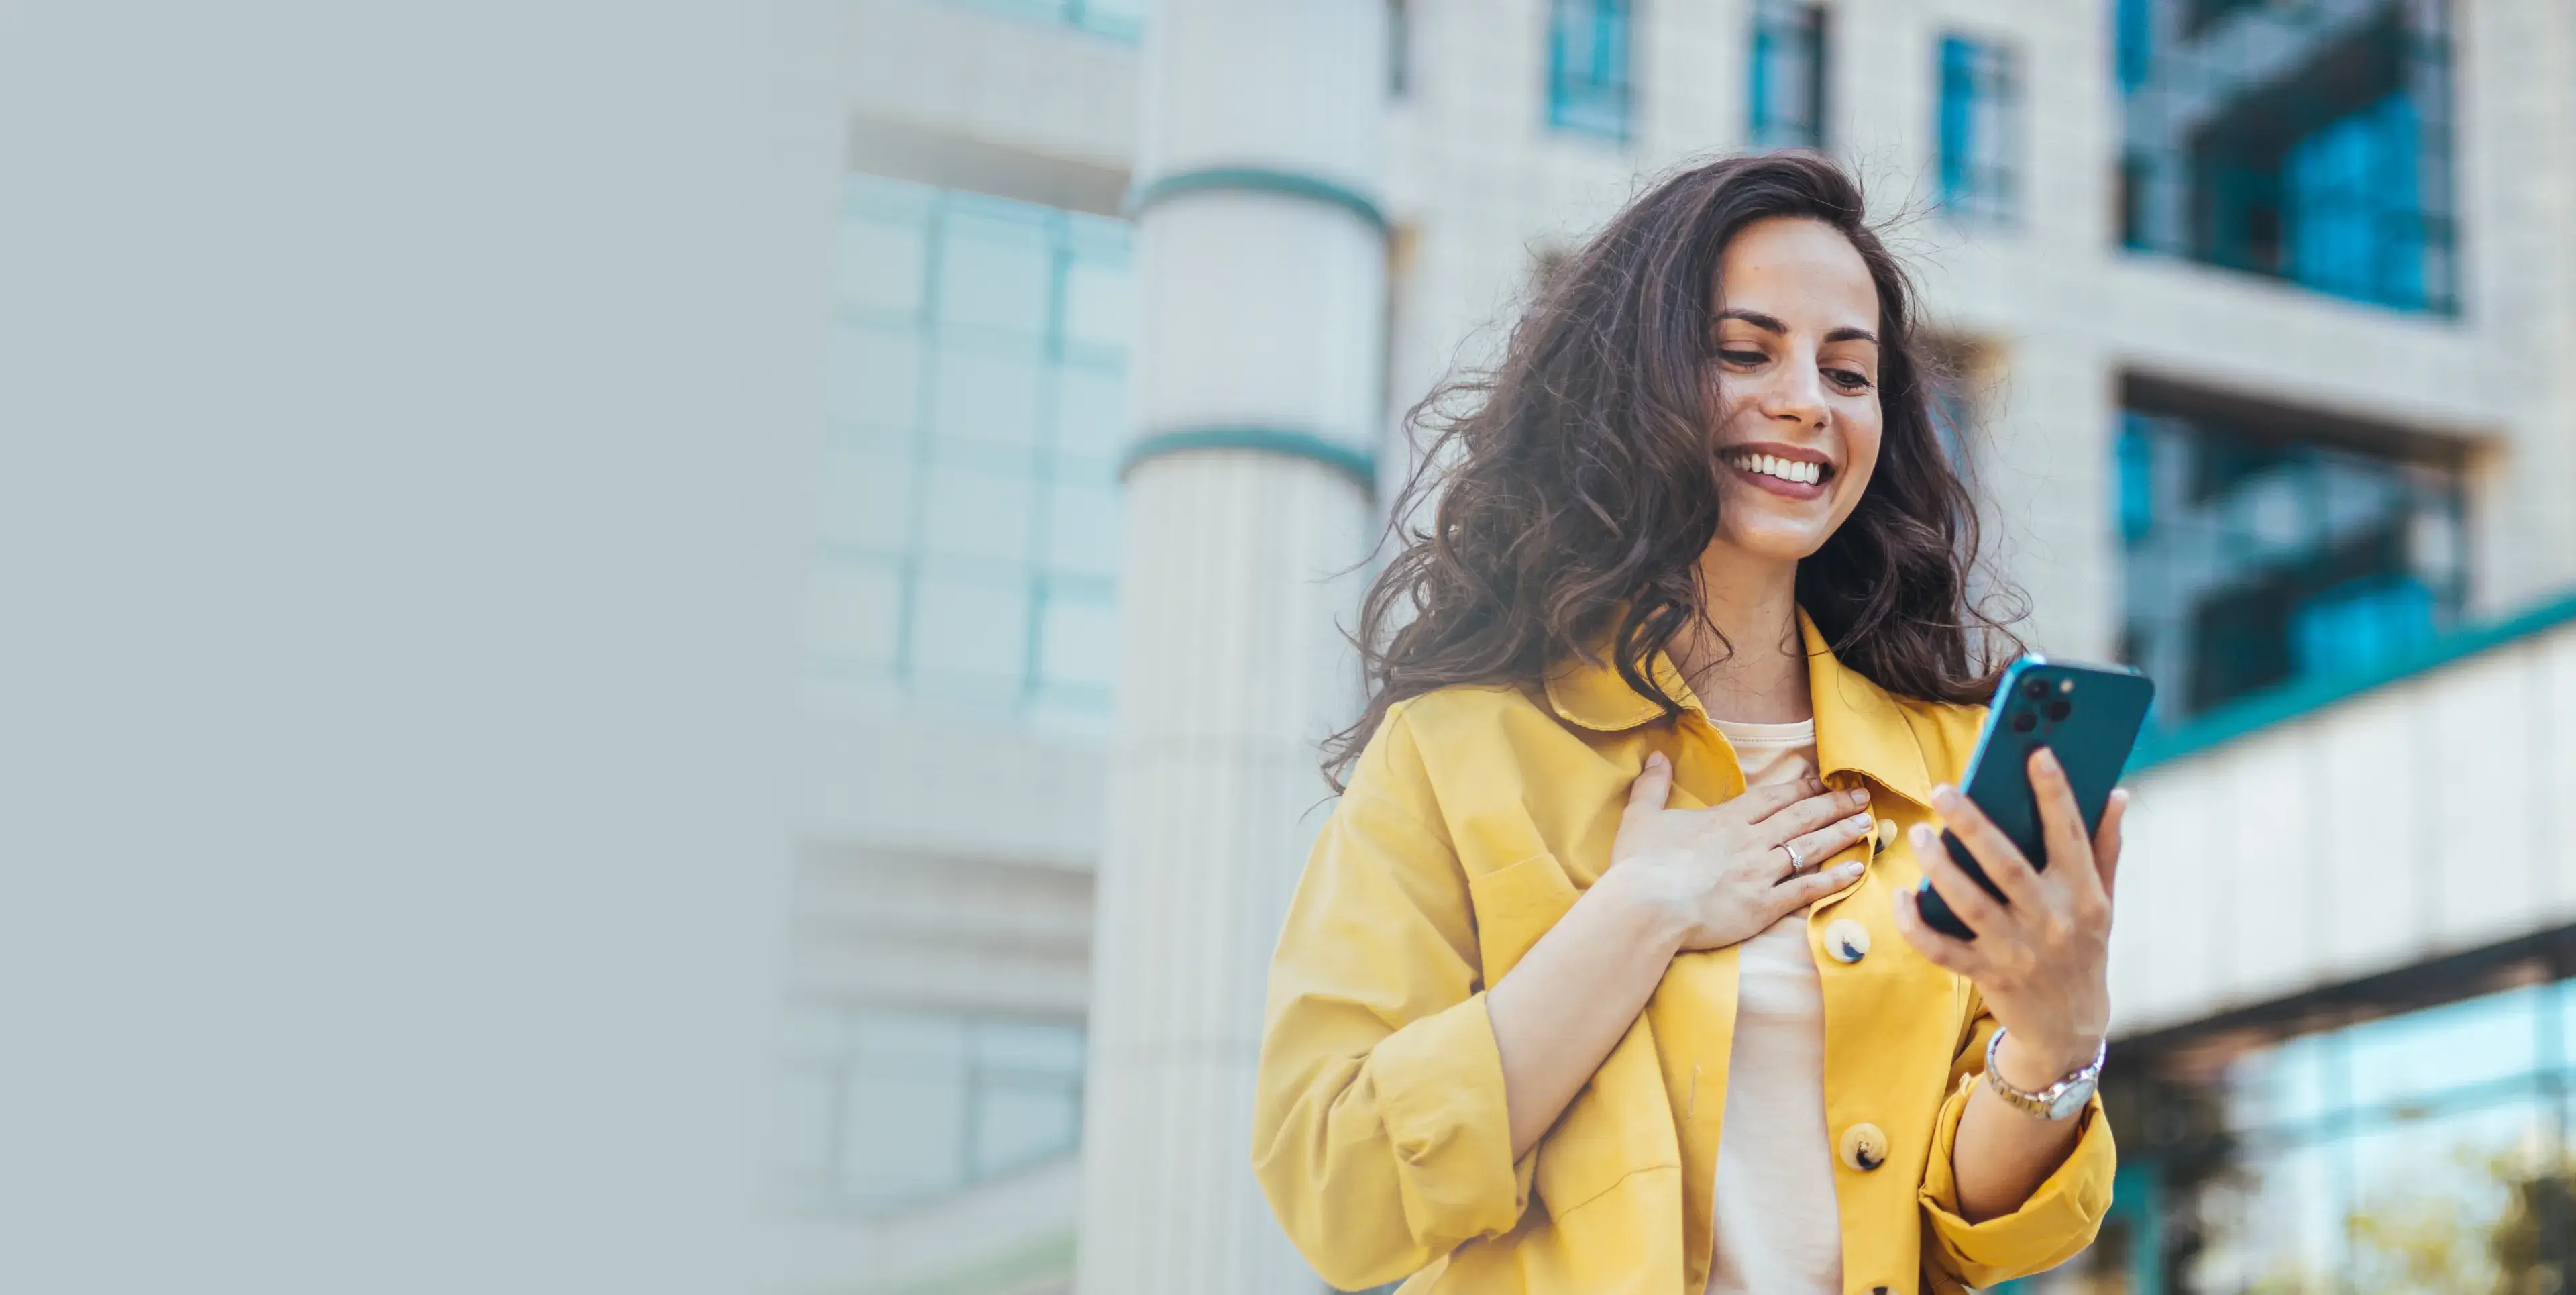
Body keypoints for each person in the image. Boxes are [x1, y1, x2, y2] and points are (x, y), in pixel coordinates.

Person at [1250, 152, 2126, 1295]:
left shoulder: (1948, 768)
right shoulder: (1456, 752)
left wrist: (2054, 1040)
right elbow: (1339, 1191)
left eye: (1848, 372)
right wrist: (1639, 911)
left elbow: (1977, 1236)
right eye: (1744, 351)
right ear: (1638, 382)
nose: (1808, 401)